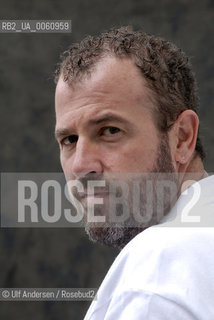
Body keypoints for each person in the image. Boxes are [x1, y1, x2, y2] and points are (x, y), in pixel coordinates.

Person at [54, 26, 214, 319]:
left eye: (110, 130)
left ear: (182, 138)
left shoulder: (157, 270)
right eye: (69, 140)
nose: (80, 166)